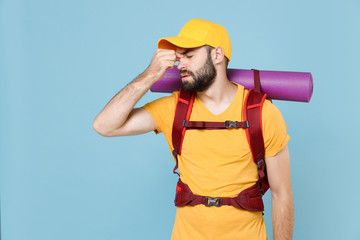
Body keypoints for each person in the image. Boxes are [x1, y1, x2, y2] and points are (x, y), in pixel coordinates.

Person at [93, 19, 294, 240]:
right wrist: (150, 74)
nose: (181, 65)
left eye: (189, 56)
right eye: (179, 58)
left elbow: (281, 195)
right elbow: (104, 125)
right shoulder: (173, 109)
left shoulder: (262, 113)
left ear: (217, 55)